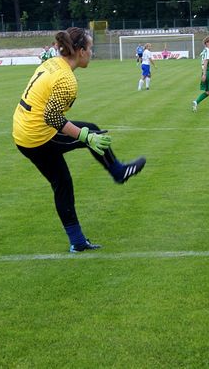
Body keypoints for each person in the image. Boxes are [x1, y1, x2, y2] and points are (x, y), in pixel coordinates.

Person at [12, 27, 146, 253]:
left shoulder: (52, 63)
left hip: (22, 131)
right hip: (38, 136)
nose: (92, 53)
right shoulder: (67, 80)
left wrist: (87, 135)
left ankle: (77, 241)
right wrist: (86, 137)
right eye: (90, 48)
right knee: (90, 134)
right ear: (80, 51)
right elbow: (52, 117)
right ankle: (118, 172)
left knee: (62, 182)